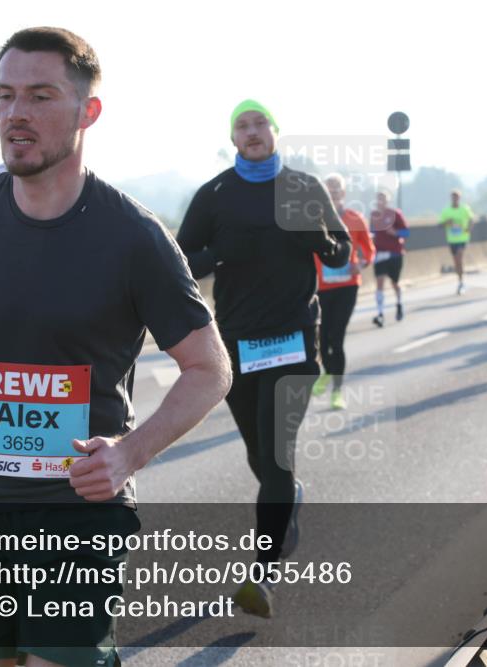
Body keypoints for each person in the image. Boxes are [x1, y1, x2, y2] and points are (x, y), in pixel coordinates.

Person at [0, 28, 231, 667]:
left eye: (40, 96)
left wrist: (129, 454)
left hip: (76, 514)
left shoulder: (135, 239)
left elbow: (210, 369)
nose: (16, 113)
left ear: (88, 111)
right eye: (4, 95)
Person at [177, 99, 351, 618]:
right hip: (237, 344)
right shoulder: (215, 194)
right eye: (242, 126)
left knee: (275, 454)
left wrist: (314, 238)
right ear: (233, 138)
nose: (252, 133)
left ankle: (263, 575)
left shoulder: (303, 187)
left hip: (296, 340)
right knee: (262, 458)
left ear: (276, 132)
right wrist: (219, 256)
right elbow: (182, 260)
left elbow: (341, 251)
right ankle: (288, 495)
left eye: (259, 124)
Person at [312, 173, 375, 410]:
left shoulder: (354, 218)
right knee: (321, 339)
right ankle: (328, 372)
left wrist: (363, 263)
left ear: (344, 193)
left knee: (336, 339)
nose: (334, 191)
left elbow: (369, 250)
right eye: (329, 188)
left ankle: (336, 391)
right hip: (321, 288)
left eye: (337, 188)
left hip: (348, 286)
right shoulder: (313, 220)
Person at [370, 190, 410, 327]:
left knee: (394, 283)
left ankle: (399, 303)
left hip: (395, 253)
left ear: (388, 201)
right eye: (379, 199)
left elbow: (406, 232)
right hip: (380, 254)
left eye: (383, 199)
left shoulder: (395, 214)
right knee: (379, 282)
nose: (381, 202)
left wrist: (395, 232)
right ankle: (380, 314)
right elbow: (372, 232)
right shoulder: (374, 215)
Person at [438, 189, 474, 294]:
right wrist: (446, 222)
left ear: (459, 198)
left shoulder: (464, 209)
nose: (455, 199)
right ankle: (460, 281)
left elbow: (471, 219)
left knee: (459, 256)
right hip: (452, 239)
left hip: (463, 238)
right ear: (451, 198)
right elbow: (439, 225)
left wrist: (469, 228)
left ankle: (461, 281)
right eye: (453, 197)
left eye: (457, 197)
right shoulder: (446, 210)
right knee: (456, 261)